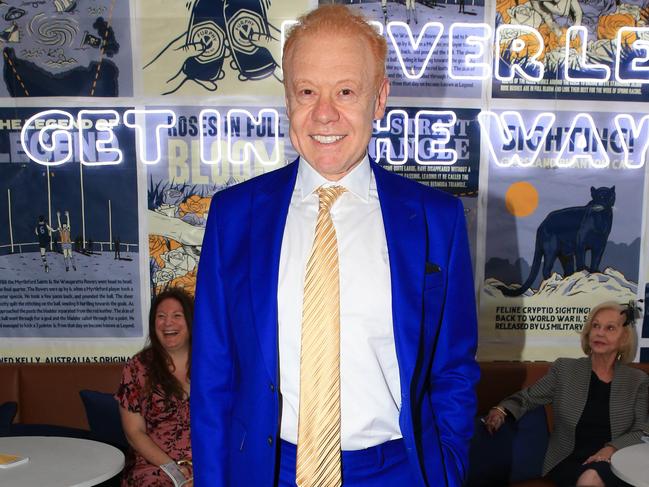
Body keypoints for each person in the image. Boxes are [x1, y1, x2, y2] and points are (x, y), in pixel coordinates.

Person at [192, 5, 478, 487]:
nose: (324, 113)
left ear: (379, 98)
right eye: (307, 92)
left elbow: (453, 369)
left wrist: (446, 469)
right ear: (288, 100)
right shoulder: (233, 217)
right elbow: (213, 381)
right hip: (269, 470)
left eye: (346, 91)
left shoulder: (436, 220)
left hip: (398, 470)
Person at [484, 301, 648, 487]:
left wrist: (611, 449)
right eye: (596, 326)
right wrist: (501, 410)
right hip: (569, 460)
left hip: (616, 461)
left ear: (624, 338)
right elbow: (527, 398)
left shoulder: (637, 380)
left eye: (610, 328)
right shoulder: (565, 369)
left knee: (595, 476)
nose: (600, 333)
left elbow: (641, 429)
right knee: (590, 478)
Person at [116, 288, 194, 486]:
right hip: (156, 467)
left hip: (208, 464)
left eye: (177, 315)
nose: (168, 322)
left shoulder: (213, 365)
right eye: (161, 316)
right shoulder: (137, 368)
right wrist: (176, 473)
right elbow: (134, 434)